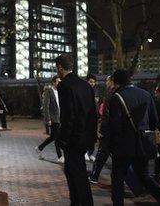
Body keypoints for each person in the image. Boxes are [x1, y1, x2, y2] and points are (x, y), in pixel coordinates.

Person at [108, 69, 160, 206]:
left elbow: (115, 125)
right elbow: (154, 120)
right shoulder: (146, 94)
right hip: (143, 143)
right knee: (144, 176)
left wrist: (111, 144)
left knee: (117, 178)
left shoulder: (117, 97)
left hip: (123, 145)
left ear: (116, 81)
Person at [54, 55, 96, 206]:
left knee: (73, 174)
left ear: (60, 67)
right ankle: (82, 201)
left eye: (56, 68)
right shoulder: (86, 85)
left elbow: (67, 115)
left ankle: (79, 202)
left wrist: (63, 139)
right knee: (80, 173)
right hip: (85, 136)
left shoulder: (64, 85)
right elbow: (93, 114)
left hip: (73, 138)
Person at [36, 76, 63, 163]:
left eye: (60, 81)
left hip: (59, 117)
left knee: (53, 137)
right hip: (53, 118)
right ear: (53, 82)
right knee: (58, 137)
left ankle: (39, 148)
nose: (59, 83)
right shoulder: (49, 91)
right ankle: (60, 156)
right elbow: (46, 106)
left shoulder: (60, 91)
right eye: (58, 81)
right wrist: (48, 119)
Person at [85, 74, 98, 162]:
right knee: (86, 134)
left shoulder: (96, 90)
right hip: (86, 116)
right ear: (87, 81)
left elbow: (97, 101)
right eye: (90, 82)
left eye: (93, 82)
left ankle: (91, 152)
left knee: (93, 135)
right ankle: (85, 152)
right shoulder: (84, 90)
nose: (92, 83)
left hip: (94, 116)